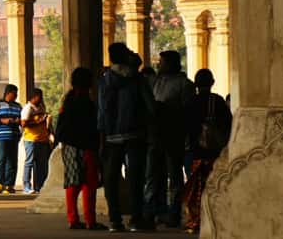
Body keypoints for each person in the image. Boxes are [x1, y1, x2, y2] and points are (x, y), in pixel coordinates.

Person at [98, 43, 156, 232]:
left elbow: (102, 110)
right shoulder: (137, 79)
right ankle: (135, 218)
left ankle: (115, 220)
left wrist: (102, 134)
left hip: (112, 135)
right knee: (136, 177)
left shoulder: (106, 80)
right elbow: (150, 106)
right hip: (135, 134)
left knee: (111, 178)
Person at [145, 50, 194, 228]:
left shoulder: (184, 84)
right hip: (156, 135)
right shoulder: (156, 81)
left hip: (174, 136)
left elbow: (188, 113)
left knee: (173, 177)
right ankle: (154, 211)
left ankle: (173, 213)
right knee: (153, 176)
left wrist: (166, 110)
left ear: (172, 64)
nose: (159, 65)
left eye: (162, 62)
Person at [55, 67, 106, 231]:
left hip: (70, 147)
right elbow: (93, 126)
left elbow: (60, 128)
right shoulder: (86, 102)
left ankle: (73, 219)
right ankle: (90, 220)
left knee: (73, 183)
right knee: (89, 184)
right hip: (86, 147)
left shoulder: (68, 101)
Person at [183, 69, 232, 234]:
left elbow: (184, 127)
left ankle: (195, 221)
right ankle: (215, 219)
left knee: (194, 189)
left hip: (194, 152)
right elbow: (228, 125)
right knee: (214, 187)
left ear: (195, 84)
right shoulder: (216, 101)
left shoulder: (190, 101)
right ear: (212, 82)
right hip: (213, 152)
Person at [0, 83, 22, 194]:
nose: (16, 96)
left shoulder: (18, 106)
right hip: (2, 136)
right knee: (2, 159)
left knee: (12, 161)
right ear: (8, 93)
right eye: (14, 94)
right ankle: (0, 183)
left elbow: (22, 120)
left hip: (14, 136)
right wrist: (3, 121)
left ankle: (9, 184)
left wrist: (18, 121)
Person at [21, 87, 53, 195]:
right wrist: (39, 121)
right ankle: (26, 186)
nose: (41, 99)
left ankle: (40, 186)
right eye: (40, 97)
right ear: (34, 97)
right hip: (31, 139)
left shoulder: (41, 107)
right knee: (29, 162)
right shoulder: (28, 108)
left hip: (42, 139)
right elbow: (24, 124)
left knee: (41, 164)